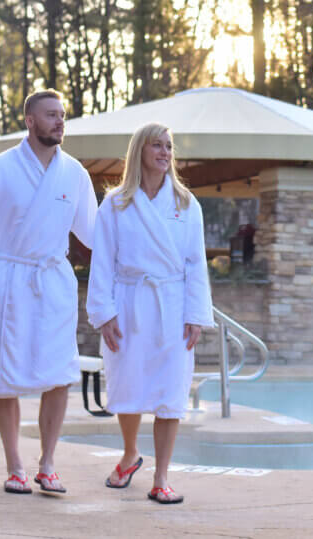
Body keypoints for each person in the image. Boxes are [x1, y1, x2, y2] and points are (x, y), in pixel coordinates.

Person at [0, 89, 97, 495]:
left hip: (52, 281)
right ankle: (15, 464)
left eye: (62, 115)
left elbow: (96, 233)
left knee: (59, 374)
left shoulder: (74, 174)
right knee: (4, 375)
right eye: (51, 115)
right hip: (5, 283)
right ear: (30, 120)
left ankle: (48, 463)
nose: (59, 122)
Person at [86, 122, 214, 504]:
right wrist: (104, 313)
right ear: (139, 151)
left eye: (169, 146)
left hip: (172, 307)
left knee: (171, 389)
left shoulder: (186, 204)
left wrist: (196, 314)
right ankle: (130, 454)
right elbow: (102, 261)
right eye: (156, 145)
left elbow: (196, 264)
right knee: (127, 384)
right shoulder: (115, 203)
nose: (164, 152)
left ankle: (161, 477)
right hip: (130, 303)